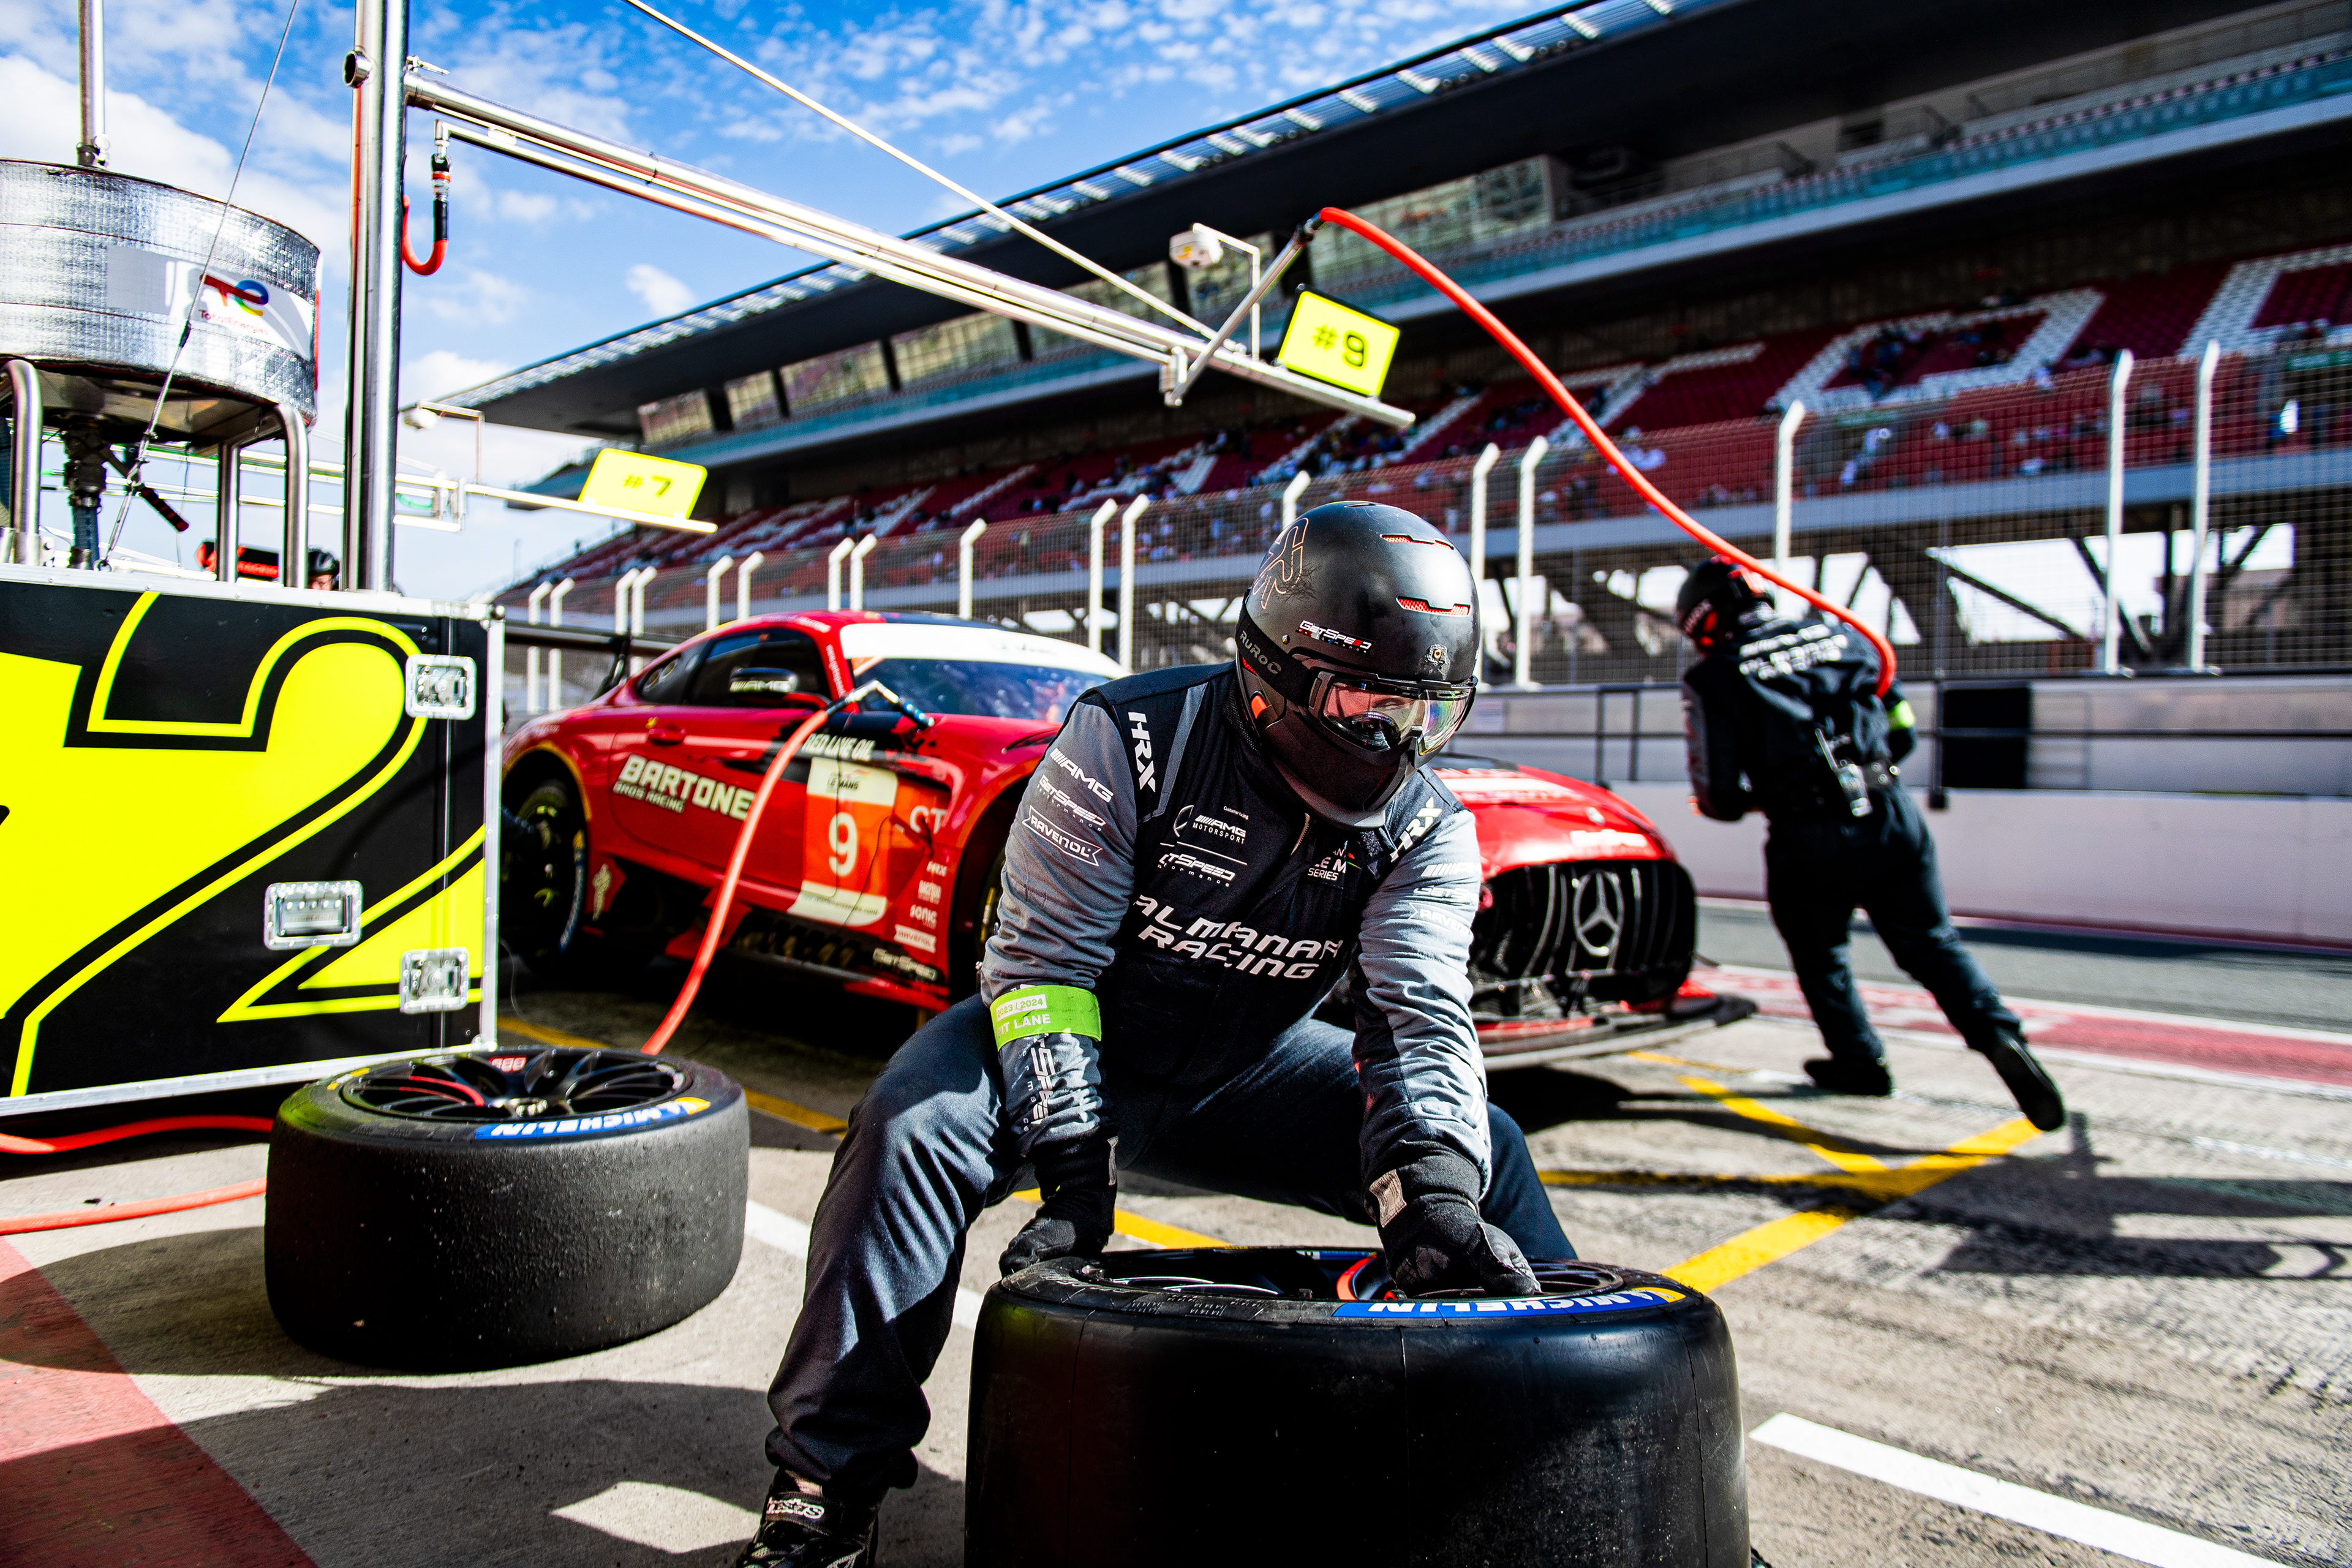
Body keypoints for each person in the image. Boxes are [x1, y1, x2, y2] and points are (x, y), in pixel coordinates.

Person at [737, 503, 1572, 1566]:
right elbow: (1042, 970)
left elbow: (1419, 1015)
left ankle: (1578, 1435)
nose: (1397, 742)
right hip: (1074, 1046)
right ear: (1276, 671)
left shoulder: (1426, 828)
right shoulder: (1129, 738)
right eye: (1370, 701)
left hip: (1248, 1074)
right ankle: (822, 1488)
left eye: (1430, 715)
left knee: (1481, 1151)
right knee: (912, 1126)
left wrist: (1434, 1192)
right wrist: (1074, 1171)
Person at [1675, 556, 2064, 1132]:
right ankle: (1998, 1033)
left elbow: (1720, 797)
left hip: (1807, 835)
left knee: (1821, 954)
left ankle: (1860, 1060)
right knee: (1933, 943)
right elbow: (1902, 729)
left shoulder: (1716, 675)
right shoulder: (1848, 637)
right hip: (1890, 813)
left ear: (1704, 621)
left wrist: (1760, 799)